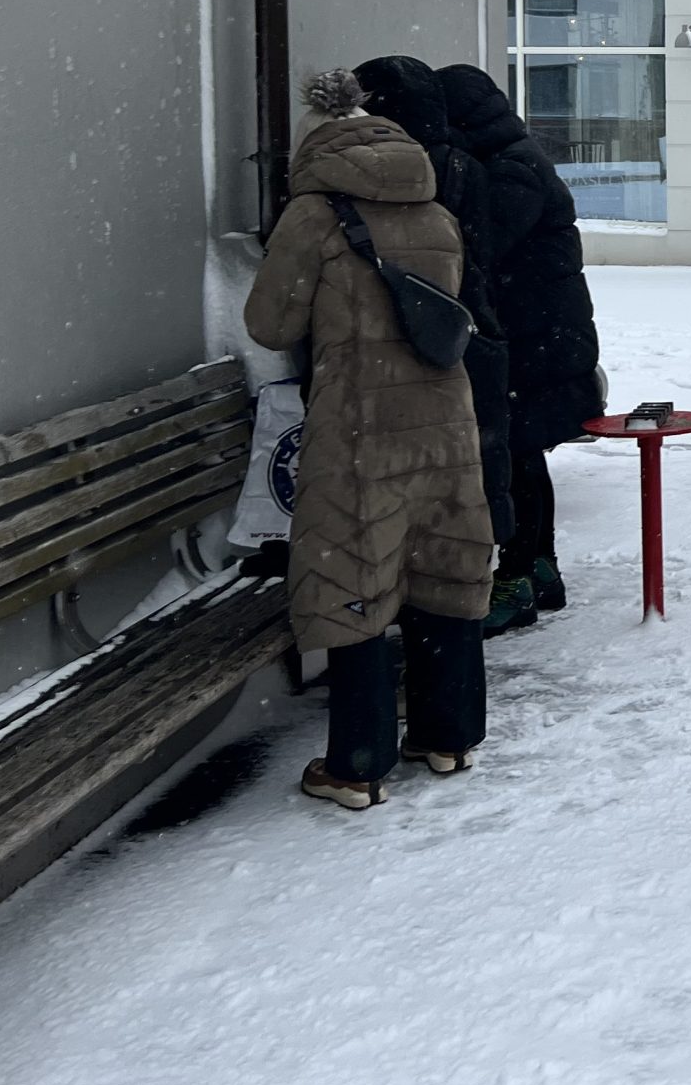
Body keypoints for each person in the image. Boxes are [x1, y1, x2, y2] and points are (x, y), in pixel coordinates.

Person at [244, 70, 494, 810]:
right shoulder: (434, 211)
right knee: (441, 562)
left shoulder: (314, 216)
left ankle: (357, 764)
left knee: (352, 570)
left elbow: (269, 325)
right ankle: (447, 736)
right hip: (444, 420)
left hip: (359, 427)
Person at [355, 55, 526, 629]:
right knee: (470, 481)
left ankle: (468, 604)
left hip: (428, 345)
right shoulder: (464, 166)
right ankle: (468, 609)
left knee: (445, 485)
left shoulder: (407, 176)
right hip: (470, 333)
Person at [438, 62, 605, 623]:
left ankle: (520, 579)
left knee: (514, 463)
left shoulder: (512, 170)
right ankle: (537, 571)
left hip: (534, 344)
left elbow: (481, 244)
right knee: (523, 459)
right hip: (541, 339)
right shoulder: (514, 158)